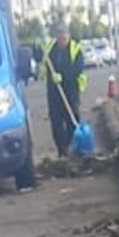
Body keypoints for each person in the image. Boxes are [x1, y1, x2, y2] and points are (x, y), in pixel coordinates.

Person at [41, 24, 86, 158]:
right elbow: (44, 64)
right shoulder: (50, 48)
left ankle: (72, 145)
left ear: (68, 36)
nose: (62, 40)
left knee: (72, 119)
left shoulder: (75, 48)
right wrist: (51, 76)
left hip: (70, 90)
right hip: (54, 91)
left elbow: (78, 68)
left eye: (64, 37)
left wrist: (63, 76)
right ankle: (62, 150)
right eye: (59, 37)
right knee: (56, 121)